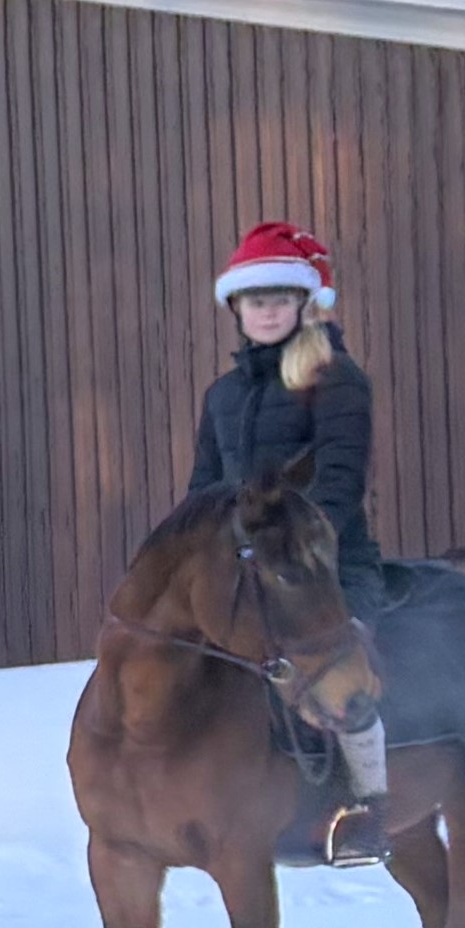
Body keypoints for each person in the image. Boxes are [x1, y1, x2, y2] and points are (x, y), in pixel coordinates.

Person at [185, 223, 391, 863]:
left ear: (305, 304)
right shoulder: (222, 395)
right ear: (237, 309)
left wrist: (285, 552)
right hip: (244, 569)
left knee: (340, 677)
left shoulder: (336, 380)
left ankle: (364, 808)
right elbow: (203, 491)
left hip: (323, 564)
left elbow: (339, 485)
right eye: (256, 300)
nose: (267, 311)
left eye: (280, 299)